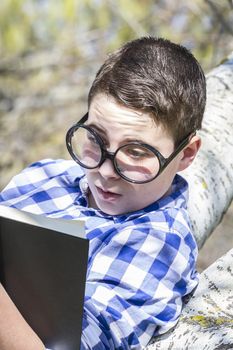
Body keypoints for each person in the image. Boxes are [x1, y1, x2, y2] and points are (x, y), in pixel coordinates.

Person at [0, 36, 206, 349]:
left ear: (186, 154)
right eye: (95, 139)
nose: (106, 171)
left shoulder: (160, 242)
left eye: (136, 153)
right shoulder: (43, 176)